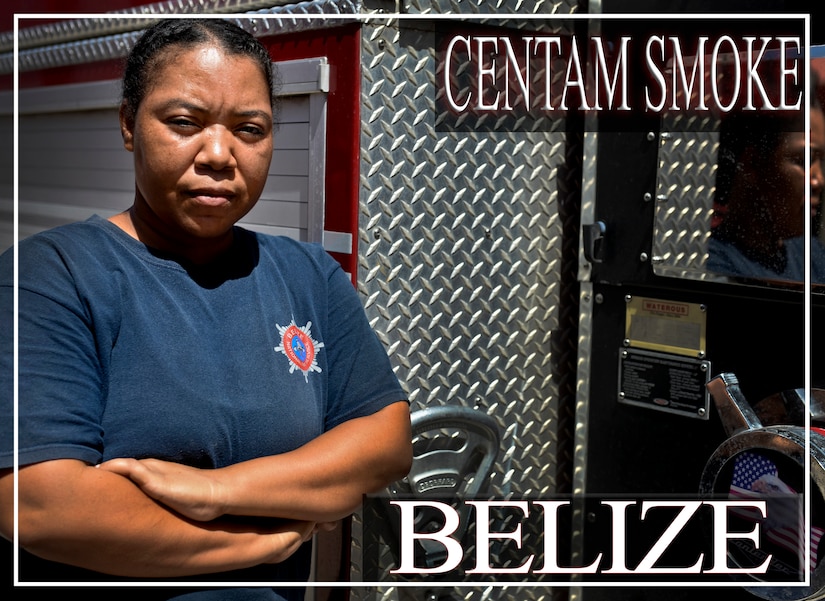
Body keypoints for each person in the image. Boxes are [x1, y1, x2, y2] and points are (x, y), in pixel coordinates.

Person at [0, 18, 412, 600]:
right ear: (128, 124)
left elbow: (382, 440)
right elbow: (42, 505)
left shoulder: (308, 276)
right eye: (184, 123)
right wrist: (257, 544)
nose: (219, 154)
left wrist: (216, 491)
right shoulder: (53, 277)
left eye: (250, 129)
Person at [708, 74, 825, 284]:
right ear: (752, 163)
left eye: (821, 162)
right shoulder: (716, 265)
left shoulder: (813, 256)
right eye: (804, 160)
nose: (818, 181)